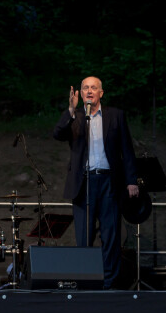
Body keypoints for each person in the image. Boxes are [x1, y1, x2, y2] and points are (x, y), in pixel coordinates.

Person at [53, 76, 138, 289]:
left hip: (109, 181)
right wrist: (71, 111)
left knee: (111, 236)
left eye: (93, 88)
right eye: (85, 88)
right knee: (84, 237)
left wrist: (131, 181)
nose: (89, 91)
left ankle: (109, 283)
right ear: (80, 94)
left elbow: (127, 150)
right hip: (84, 184)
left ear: (101, 93)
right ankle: (85, 282)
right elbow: (58, 134)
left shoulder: (115, 116)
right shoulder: (76, 116)